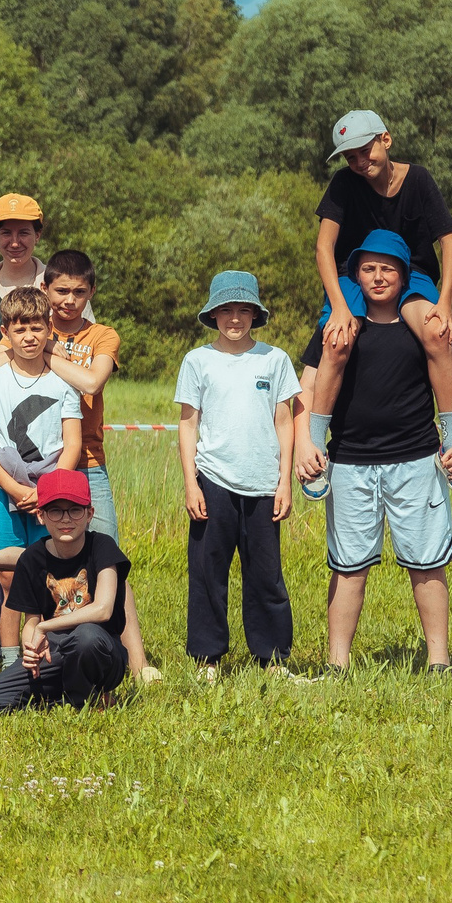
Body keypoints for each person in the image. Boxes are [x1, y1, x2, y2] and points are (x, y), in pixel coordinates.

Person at [298, 229, 452, 673]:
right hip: (350, 462)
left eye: (388, 269)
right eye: (368, 268)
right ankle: (337, 666)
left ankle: (439, 662)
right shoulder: (337, 327)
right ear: (355, 274)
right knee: (349, 568)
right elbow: (309, 384)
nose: (378, 277)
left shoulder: (428, 324)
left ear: (404, 274)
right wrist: (305, 443)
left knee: (427, 564)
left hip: (416, 460)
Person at [311, 110, 452, 485]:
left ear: (386, 139)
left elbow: (449, 242)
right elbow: (323, 247)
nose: (360, 162)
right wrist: (338, 305)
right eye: (351, 157)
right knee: (337, 341)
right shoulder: (343, 184)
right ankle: (317, 448)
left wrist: (445, 303)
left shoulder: (419, 180)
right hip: (356, 272)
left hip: (411, 273)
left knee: (436, 333)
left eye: (366, 151)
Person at [177, 271, 300, 677]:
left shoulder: (274, 359)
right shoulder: (197, 361)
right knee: (208, 571)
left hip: (264, 482)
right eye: (226, 310)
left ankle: (272, 658)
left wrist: (284, 481)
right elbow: (188, 424)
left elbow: (285, 422)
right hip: (212, 479)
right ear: (212, 314)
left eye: (243, 310)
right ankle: (208, 658)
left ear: (255, 314)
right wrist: (191, 482)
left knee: (266, 574)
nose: (234, 318)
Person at [0, 471, 132, 714]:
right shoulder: (32, 558)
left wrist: (44, 628)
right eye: (55, 511)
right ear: (41, 516)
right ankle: (62, 696)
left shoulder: (102, 546)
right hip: (55, 649)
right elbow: (31, 621)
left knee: (86, 637)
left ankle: (86, 699)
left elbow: (103, 609)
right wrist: (30, 647)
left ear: (90, 514)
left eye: (75, 509)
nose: (65, 519)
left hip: (102, 648)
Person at [0, 286, 84, 565]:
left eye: (36, 328)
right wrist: (14, 488)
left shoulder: (64, 380)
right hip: (2, 488)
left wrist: (49, 490)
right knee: (5, 573)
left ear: (49, 328)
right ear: (5, 332)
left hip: (52, 489)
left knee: (50, 569)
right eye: (20, 331)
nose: (29, 338)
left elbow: (72, 443)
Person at [40, 249, 123, 541]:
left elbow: (92, 383)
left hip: (89, 461)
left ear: (92, 292)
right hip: (38, 460)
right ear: (44, 289)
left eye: (79, 292)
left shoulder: (103, 335)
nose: (69, 300)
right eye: (61, 291)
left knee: (106, 549)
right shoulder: (29, 330)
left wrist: (46, 354)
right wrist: (43, 342)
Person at [0, 194, 89, 337]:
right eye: (6, 233)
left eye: (23, 233)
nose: (15, 243)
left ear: (37, 235)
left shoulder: (68, 287)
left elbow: (87, 343)